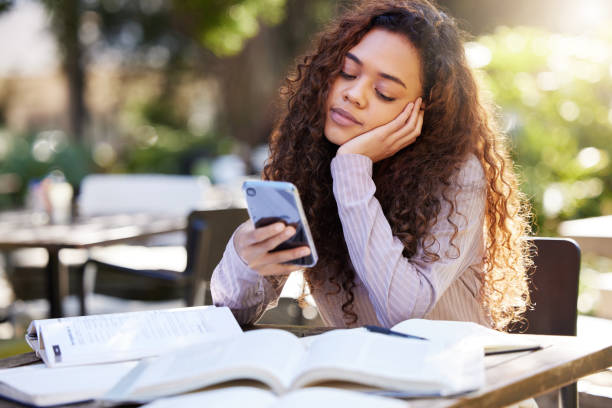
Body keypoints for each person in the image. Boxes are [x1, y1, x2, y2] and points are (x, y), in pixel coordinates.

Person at [211, 0, 532, 331]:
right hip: (354, 375)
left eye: (385, 92)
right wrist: (245, 258)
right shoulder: (311, 162)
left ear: (423, 113)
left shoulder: (458, 175)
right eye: (346, 72)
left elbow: (404, 317)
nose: (354, 94)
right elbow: (231, 314)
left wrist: (352, 168)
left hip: (454, 375)